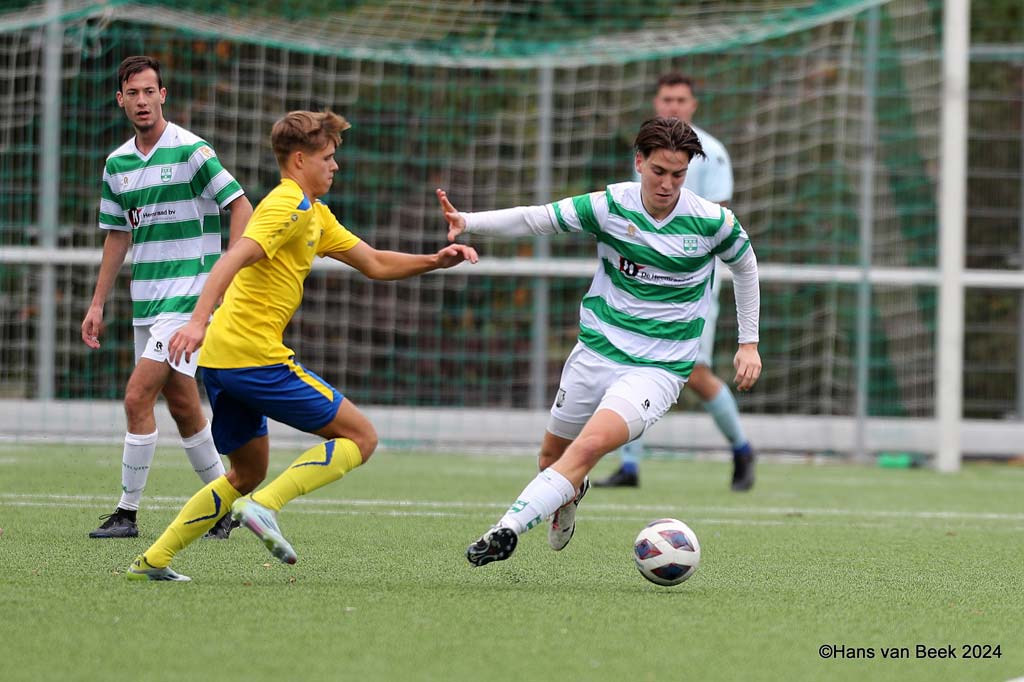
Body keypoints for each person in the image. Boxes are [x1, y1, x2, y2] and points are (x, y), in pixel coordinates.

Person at [126, 110, 478, 581]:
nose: (335, 166)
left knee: (245, 472)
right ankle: (265, 507)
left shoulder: (312, 212)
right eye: (327, 157)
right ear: (298, 159)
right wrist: (194, 322)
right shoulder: (285, 206)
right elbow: (233, 257)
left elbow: (373, 262)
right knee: (361, 437)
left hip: (224, 361)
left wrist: (435, 260)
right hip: (252, 357)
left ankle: (154, 559)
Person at [437, 117, 761, 567]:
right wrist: (468, 221)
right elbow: (537, 219)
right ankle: (569, 494)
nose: (667, 184)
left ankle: (504, 530)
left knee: (587, 448)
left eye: (678, 175)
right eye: (658, 172)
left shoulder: (711, 221)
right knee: (552, 454)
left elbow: (745, 267)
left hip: (659, 368)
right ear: (639, 163)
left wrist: (749, 343)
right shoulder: (610, 205)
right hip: (597, 350)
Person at [83, 55, 253, 539]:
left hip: (187, 301)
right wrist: (97, 304)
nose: (141, 100)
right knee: (182, 404)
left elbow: (240, 205)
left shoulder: (192, 151)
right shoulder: (117, 163)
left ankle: (126, 513)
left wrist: (228, 273)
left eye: (149, 91)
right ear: (121, 100)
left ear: (164, 95)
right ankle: (225, 505)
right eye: (132, 93)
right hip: (147, 303)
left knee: (137, 396)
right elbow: (117, 236)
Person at [596, 72, 757, 492]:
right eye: (666, 98)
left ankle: (741, 448)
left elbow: (718, 223)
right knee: (632, 361)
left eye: (681, 99)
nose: (673, 106)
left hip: (689, 285)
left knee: (696, 374)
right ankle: (630, 466)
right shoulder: (648, 150)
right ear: (656, 101)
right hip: (644, 278)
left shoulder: (711, 154)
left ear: (693, 106)